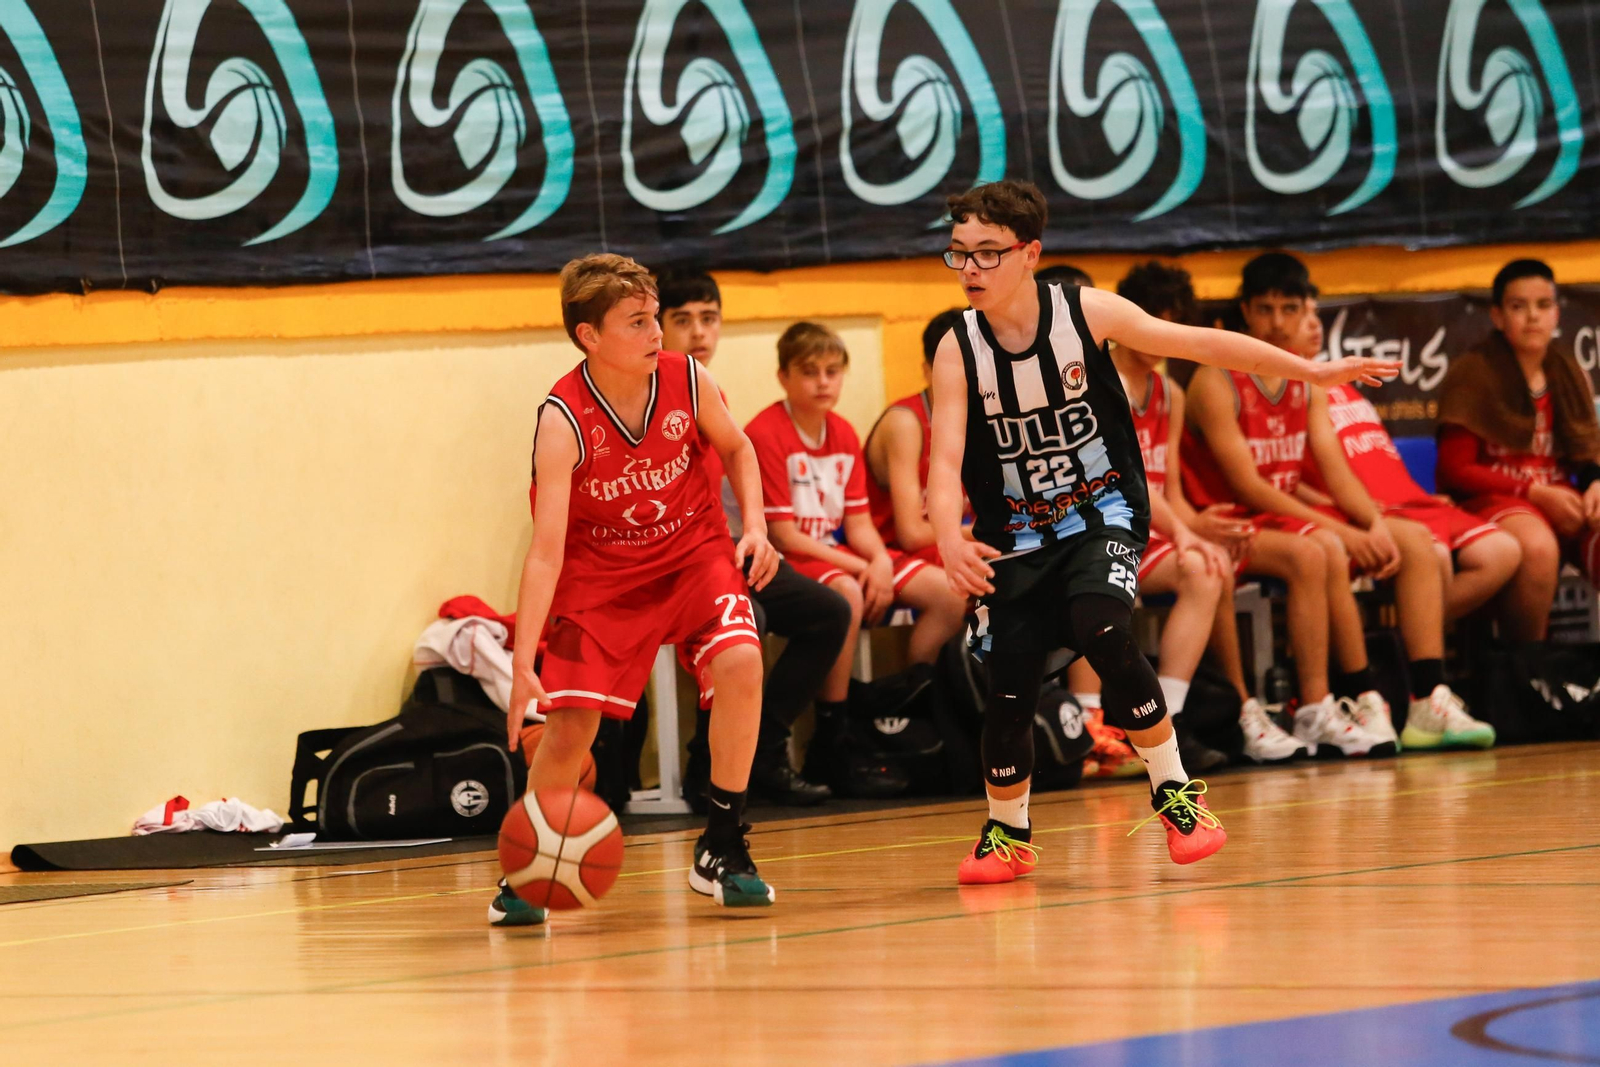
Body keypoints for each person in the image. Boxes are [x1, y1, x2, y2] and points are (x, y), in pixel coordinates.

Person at [925, 181, 1398, 884]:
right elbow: (943, 461)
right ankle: (1008, 833)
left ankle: (1176, 794)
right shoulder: (957, 347)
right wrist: (948, 536)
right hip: (1016, 532)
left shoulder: (1085, 312)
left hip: (1101, 511)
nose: (970, 268)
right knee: (1010, 685)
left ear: (1029, 254)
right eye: (959, 253)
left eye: (987, 253)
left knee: (1103, 628)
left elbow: (1201, 342)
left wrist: (1309, 370)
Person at [492, 254, 781, 926]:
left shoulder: (688, 379)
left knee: (742, 660)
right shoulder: (563, 419)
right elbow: (545, 552)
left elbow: (738, 448)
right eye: (638, 322)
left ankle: (723, 844)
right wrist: (523, 662)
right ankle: (528, 866)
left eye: (655, 318)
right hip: (602, 575)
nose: (657, 333)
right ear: (589, 335)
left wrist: (757, 527)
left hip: (693, 554)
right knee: (569, 729)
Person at [1182, 254, 1398, 758]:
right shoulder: (1216, 379)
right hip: (1218, 522)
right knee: (1316, 550)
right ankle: (1268, 708)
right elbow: (1248, 487)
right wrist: (1343, 530)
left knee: (1327, 547)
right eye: (1265, 309)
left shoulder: (1306, 382)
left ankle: (1331, 703)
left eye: (1289, 309)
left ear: (1306, 311)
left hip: (1270, 520)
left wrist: (1373, 523)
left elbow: (1335, 468)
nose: (1277, 323)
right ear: (1245, 311)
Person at [656, 268, 856, 807]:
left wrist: (756, 537)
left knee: (829, 611)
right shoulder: (650, 392)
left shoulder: (709, 390)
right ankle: (707, 766)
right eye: (683, 320)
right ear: (656, 327)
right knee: (748, 622)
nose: (699, 332)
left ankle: (764, 748)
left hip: (725, 551)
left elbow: (732, 486)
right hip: (671, 562)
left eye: (709, 318)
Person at [746, 323, 969, 793]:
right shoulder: (764, 433)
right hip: (794, 556)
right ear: (783, 377)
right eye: (810, 372)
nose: (823, 382)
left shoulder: (844, 431)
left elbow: (861, 523)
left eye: (832, 371)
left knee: (949, 593)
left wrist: (880, 562)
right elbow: (784, 535)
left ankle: (915, 712)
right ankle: (832, 738)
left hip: (841, 552)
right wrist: (862, 567)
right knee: (846, 593)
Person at [1293, 298, 1511, 749]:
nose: (1312, 325)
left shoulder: (1340, 385)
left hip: (1405, 502)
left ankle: (1404, 646)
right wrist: (1360, 514)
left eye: (1313, 313)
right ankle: (1416, 684)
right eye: (1299, 314)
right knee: (1430, 554)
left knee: (1503, 552)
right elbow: (1281, 478)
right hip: (1361, 513)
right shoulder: (1283, 389)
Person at [1112, 261, 1307, 765]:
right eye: (1151, 320)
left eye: (1171, 324)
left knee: (1210, 564)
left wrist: (1199, 527)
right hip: (1103, 527)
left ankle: (1169, 720)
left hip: (1150, 531)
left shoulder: (1170, 394)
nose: (1159, 335)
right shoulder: (1099, 383)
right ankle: (1120, 721)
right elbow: (1127, 481)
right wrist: (1185, 532)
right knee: (1196, 566)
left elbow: (1169, 491)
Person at [1436, 259, 1600, 640]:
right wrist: (1535, 493)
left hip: (1563, 502)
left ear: (1556, 313)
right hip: (1494, 501)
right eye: (1518, 306)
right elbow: (1454, 470)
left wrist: (1595, 483)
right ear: (1497, 316)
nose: (1532, 317)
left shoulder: (1569, 371)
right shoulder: (1472, 373)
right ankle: (1527, 665)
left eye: (1543, 305)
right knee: (1537, 548)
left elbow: (1586, 452)